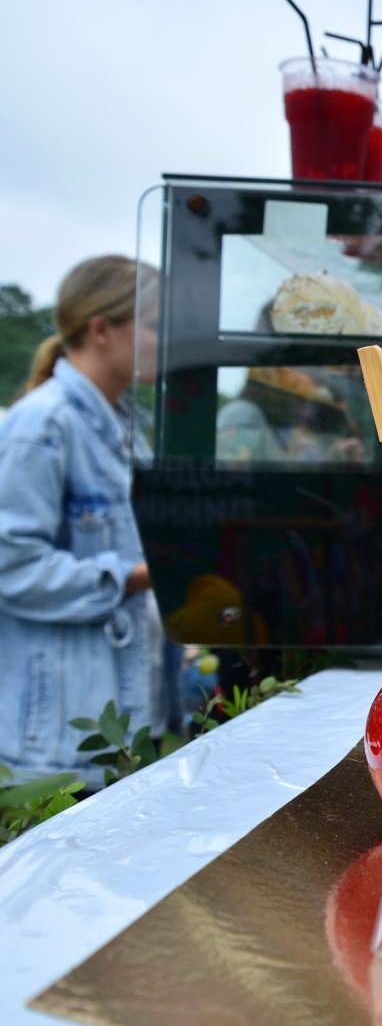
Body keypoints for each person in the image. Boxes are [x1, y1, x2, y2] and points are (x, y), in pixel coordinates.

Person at [0, 256, 176, 781]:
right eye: (152, 325)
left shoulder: (126, 424)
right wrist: (139, 574)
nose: (163, 340)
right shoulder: (43, 423)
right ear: (101, 329)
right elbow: (13, 566)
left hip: (115, 719)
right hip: (56, 740)